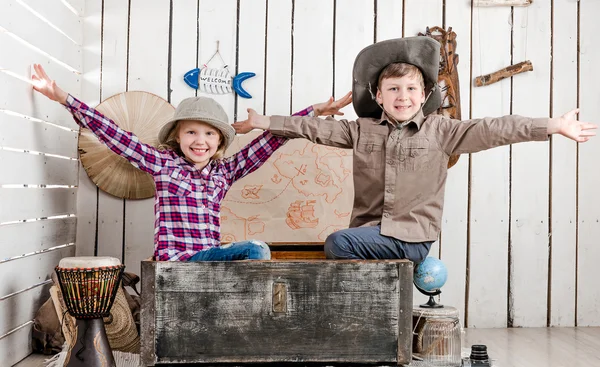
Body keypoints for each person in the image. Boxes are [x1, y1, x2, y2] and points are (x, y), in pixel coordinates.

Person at [232, 37, 596, 263]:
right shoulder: (363, 130)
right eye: (393, 90)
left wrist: (554, 124)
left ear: (424, 96)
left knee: (337, 244)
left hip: (412, 237)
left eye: (410, 90)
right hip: (371, 234)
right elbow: (314, 129)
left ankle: (391, 287)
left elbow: (495, 128)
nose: (402, 97)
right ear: (378, 96)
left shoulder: (443, 131)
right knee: (342, 243)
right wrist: (264, 122)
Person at [31, 64, 352, 262]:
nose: (200, 140)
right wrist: (63, 97)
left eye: (209, 134)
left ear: (219, 142)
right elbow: (115, 135)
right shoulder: (162, 163)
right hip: (176, 263)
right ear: (178, 136)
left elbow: (270, 141)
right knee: (256, 250)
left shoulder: (224, 171)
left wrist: (314, 112)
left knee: (257, 251)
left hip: (209, 262)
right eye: (192, 132)